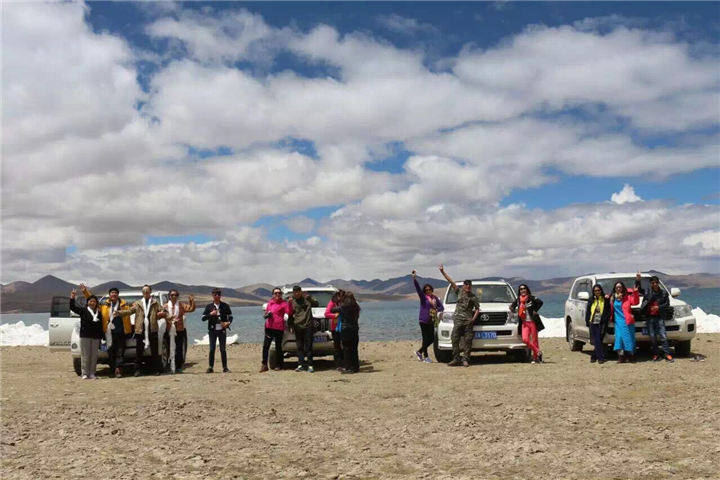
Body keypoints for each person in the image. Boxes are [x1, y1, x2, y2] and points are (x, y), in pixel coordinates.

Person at [114, 285, 168, 376]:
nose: (146, 293)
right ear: (142, 293)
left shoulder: (155, 303)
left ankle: (156, 369)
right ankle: (137, 370)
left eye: (147, 291)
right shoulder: (138, 303)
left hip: (152, 329)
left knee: (155, 351)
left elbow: (164, 311)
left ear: (150, 292)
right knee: (139, 351)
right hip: (140, 330)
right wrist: (119, 313)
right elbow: (129, 311)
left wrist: (169, 316)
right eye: (144, 291)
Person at [80, 284, 131, 378]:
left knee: (120, 352)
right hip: (108, 333)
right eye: (112, 293)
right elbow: (92, 301)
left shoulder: (125, 305)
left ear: (118, 295)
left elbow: (132, 311)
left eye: (115, 293)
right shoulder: (104, 305)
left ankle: (118, 371)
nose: (114, 294)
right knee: (111, 352)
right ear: (109, 295)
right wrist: (85, 292)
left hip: (121, 332)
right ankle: (113, 370)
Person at [439, 264, 480, 367]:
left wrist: (473, 319)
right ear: (463, 285)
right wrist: (442, 272)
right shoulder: (459, 292)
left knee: (468, 340)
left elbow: (477, 309)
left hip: (468, 321)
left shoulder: (473, 297)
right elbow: (451, 281)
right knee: (454, 338)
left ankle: (465, 359)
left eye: (469, 285)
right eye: (466, 284)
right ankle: (456, 358)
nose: (468, 286)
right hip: (458, 320)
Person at [69, 289, 104, 379]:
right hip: (85, 336)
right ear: (87, 302)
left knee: (94, 356)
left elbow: (100, 325)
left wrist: (101, 336)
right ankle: (84, 373)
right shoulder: (83, 311)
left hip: (96, 337)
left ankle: (92, 373)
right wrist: (72, 297)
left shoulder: (99, 313)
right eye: (90, 301)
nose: (92, 303)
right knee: (85, 355)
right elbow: (73, 308)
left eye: (94, 301)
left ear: (96, 303)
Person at [638, 275, 673, 362]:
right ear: (650, 284)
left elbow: (667, 303)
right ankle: (656, 354)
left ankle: (667, 353)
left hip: (660, 317)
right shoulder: (647, 292)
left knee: (663, 336)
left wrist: (659, 307)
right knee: (653, 337)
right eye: (653, 283)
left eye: (656, 282)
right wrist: (638, 280)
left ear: (658, 283)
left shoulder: (664, 293)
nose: (655, 284)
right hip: (649, 317)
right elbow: (639, 289)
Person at [411, 270, 444, 363]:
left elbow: (442, 307)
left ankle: (419, 351)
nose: (428, 291)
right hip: (423, 320)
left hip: (432, 320)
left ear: (432, 290)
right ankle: (426, 357)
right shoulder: (423, 297)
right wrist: (414, 279)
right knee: (425, 339)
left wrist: (437, 310)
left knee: (432, 339)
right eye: (426, 290)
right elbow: (417, 289)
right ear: (424, 291)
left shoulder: (435, 298)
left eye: (429, 289)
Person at [609, 273, 641, 364]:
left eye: (620, 287)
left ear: (623, 288)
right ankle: (620, 356)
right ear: (615, 288)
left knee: (628, 338)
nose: (618, 288)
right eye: (617, 287)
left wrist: (635, 292)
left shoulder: (628, 297)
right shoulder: (612, 298)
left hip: (627, 321)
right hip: (618, 322)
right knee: (619, 338)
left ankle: (630, 356)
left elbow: (635, 302)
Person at [510, 284, 546, 364]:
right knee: (525, 339)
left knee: (535, 340)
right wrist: (513, 310)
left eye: (524, 289)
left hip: (533, 322)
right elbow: (512, 306)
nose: (523, 290)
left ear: (527, 290)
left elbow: (540, 302)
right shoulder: (518, 300)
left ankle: (535, 358)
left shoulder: (531, 298)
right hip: (524, 323)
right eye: (521, 289)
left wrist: (535, 310)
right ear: (519, 291)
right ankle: (538, 351)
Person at [287, 286, 320, 373]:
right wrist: (290, 326)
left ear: (301, 292)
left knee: (308, 347)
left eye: (298, 291)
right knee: (300, 346)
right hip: (298, 326)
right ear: (293, 293)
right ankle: (300, 364)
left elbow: (316, 304)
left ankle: (310, 365)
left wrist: (309, 297)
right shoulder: (292, 301)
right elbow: (290, 314)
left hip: (308, 326)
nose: (297, 293)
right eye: (295, 292)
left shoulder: (307, 299)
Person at [201, 288, 233, 373]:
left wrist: (228, 323)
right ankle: (210, 367)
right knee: (212, 349)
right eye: (215, 294)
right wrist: (210, 314)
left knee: (223, 349)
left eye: (218, 294)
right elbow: (203, 318)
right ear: (212, 295)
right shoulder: (209, 307)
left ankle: (225, 367)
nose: (217, 296)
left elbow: (230, 316)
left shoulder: (225, 306)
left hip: (222, 330)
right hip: (212, 330)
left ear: (220, 295)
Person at [165, 289, 196, 373]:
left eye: (176, 295)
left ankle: (178, 366)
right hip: (169, 329)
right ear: (169, 296)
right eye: (172, 295)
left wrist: (191, 300)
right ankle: (170, 366)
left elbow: (191, 309)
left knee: (179, 349)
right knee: (169, 348)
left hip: (179, 329)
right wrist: (168, 318)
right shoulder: (165, 306)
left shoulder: (181, 305)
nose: (174, 296)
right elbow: (160, 314)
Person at [261, 287, 290, 372]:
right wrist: (266, 315)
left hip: (279, 328)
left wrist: (290, 304)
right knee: (266, 346)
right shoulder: (270, 303)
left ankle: (279, 365)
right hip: (269, 327)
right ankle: (264, 364)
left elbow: (289, 312)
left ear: (281, 295)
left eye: (279, 293)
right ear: (273, 294)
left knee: (278, 347)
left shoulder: (284, 303)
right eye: (275, 293)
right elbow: (266, 312)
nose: (277, 295)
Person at [331, 291, 361, 374]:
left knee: (346, 348)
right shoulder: (356, 306)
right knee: (354, 348)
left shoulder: (343, 306)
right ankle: (356, 367)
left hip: (346, 329)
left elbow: (332, 309)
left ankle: (348, 367)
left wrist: (335, 301)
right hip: (354, 328)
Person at [585, 284, 611, 364]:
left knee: (598, 340)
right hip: (593, 322)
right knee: (597, 340)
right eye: (595, 291)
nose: (597, 292)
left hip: (601, 323)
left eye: (598, 290)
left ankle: (599, 358)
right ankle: (596, 356)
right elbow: (588, 311)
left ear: (601, 290)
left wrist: (605, 319)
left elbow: (608, 311)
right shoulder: (591, 300)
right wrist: (587, 321)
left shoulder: (605, 299)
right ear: (593, 291)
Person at [325, 290, 346, 371]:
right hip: (335, 328)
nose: (341, 299)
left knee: (344, 345)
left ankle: (345, 362)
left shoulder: (344, 302)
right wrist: (334, 315)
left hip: (344, 327)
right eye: (341, 297)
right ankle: (338, 364)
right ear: (338, 296)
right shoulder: (332, 302)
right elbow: (326, 314)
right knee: (337, 346)